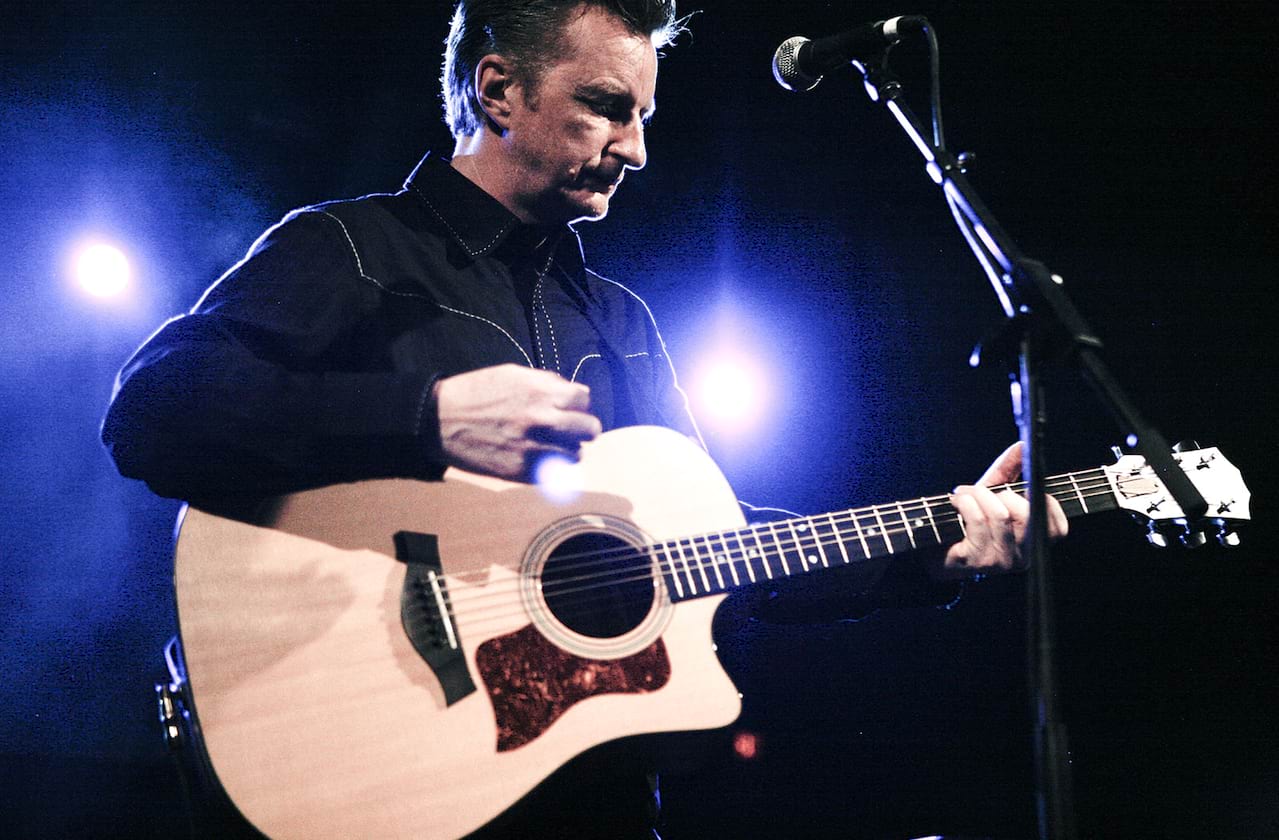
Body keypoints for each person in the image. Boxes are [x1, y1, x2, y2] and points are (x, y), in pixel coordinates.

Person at [102, 1, 1066, 836]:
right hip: (372, 778)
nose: (637, 149)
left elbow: (712, 556)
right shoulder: (350, 250)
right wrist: (421, 416)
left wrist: (933, 549)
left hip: (592, 806)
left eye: (642, 116)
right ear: (497, 90)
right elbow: (150, 411)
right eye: (606, 106)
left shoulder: (622, 322)